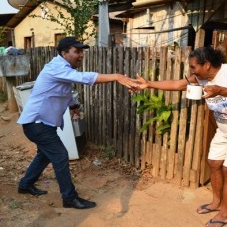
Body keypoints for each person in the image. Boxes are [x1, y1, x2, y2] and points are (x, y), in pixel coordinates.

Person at [135, 46, 227, 227]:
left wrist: (220, 90)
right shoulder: (201, 78)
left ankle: (225, 214)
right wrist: (148, 84)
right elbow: (177, 84)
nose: (191, 71)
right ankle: (217, 202)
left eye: (194, 67)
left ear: (207, 64)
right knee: (214, 163)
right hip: (225, 128)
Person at [17, 36, 137, 209]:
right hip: (37, 123)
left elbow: (65, 91)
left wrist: (74, 106)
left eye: (82, 51)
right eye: (77, 51)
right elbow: (84, 78)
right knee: (60, 156)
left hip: (42, 123)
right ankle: (69, 198)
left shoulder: (62, 68)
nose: (81, 55)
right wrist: (117, 76)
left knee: (44, 155)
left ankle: (25, 184)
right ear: (64, 53)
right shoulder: (56, 67)